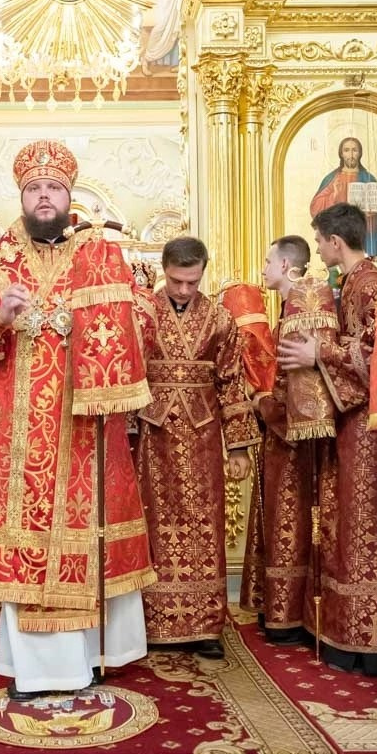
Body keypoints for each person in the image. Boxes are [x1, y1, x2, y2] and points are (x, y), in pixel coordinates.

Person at [0, 140, 154, 700]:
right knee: (26, 541)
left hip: (87, 424)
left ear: (68, 195)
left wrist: (105, 322)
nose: (44, 196)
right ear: (22, 196)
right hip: (17, 431)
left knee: (90, 533)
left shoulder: (99, 252)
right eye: (34, 188)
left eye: (53, 188)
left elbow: (143, 315)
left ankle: (94, 654)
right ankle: (39, 671)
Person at [278, 203, 377, 673]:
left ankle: (368, 639)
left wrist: (319, 352)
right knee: (342, 523)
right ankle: (344, 630)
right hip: (348, 422)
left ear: (333, 241)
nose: (318, 248)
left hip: (369, 428)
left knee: (362, 526)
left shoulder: (370, 284)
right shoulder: (348, 282)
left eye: (319, 241)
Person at [134, 237, 257, 659]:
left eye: (192, 281)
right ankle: (149, 622)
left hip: (202, 436)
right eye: (176, 281)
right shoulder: (143, 313)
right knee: (151, 524)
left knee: (204, 524)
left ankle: (205, 625)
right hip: (151, 436)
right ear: (163, 270)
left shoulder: (220, 318)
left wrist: (238, 447)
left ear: (203, 271)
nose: (184, 290)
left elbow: (232, 382)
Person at [240, 236, 315, 642]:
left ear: (286, 265)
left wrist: (261, 401)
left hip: (294, 441)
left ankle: (288, 615)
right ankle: (278, 609)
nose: (263, 269)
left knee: (290, 520)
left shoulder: (301, 311)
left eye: (268, 261)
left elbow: (297, 390)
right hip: (279, 438)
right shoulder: (287, 310)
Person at [310, 135, 377, 258]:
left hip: (363, 238)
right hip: (339, 234)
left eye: (354, 150)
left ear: (360, 153)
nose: (351, 155)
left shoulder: (369, 179)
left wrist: (372, 215)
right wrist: (334, 196)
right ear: (341, 154)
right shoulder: (332, 179)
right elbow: (316, 208)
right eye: (346, 150)